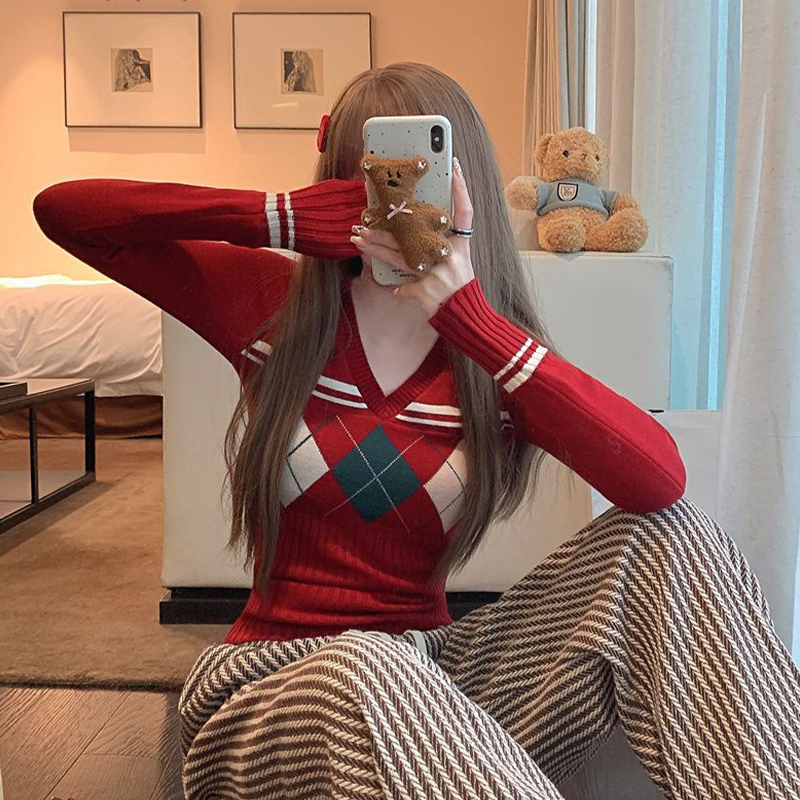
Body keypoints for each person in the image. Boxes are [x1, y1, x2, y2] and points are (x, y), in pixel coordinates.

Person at [32, 61, 800, 800]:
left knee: (672, 538)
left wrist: (470, 319)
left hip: (430, 680)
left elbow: (660, 484)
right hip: (272, 690)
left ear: (464, 187)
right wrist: (274, 216)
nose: (399, 201)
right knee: (365, 664)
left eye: (420, 175)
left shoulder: (495, 357)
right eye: (374, 175)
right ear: (341, 181)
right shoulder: (271, 309)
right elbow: (65, 213)